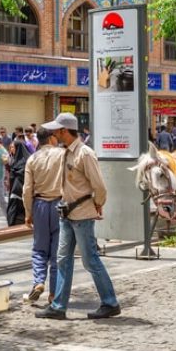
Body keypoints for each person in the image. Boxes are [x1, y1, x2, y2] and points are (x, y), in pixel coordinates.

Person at [35, 112, 121, 321]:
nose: (53, 133)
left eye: (57, 130)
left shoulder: (85, 153)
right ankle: (58, 306)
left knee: (90, 260)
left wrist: (98, 203)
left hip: (82, 215)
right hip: (66, 213)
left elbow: (99, 186)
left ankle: (110, 303)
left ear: (65, 131)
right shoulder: (65, 152)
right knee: (63, 259)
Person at [24, 127, 65, 305]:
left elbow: (27, 189)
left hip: (39, 204)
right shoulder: (63, 154)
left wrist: (28, 212)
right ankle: (54, 293)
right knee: (57, 252)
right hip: (59, 205)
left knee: (39, 249)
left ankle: (39, 282)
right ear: (51, 138)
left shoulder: (32, 159)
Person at [6, 140, 31, 226]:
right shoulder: (14, 159)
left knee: (15, 212)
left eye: (12, 147)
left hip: (18, 191)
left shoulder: (24, 161)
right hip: (14, 189)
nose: (11, 149)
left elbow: (21, 174)